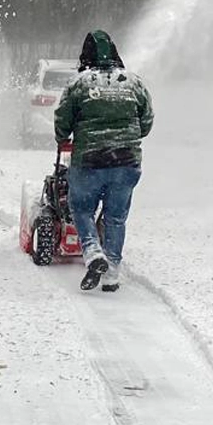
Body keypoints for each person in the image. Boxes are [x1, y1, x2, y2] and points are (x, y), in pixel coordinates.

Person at [53, 30, 154, 293]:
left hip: (89, 160)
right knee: (115, 218)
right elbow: (146, 121)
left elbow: (62, 119)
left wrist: (63, 136)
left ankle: (93, 252)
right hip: (126, 161)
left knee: (82, 209)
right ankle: (111, 275)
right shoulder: (134, 82)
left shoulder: (79, 84)